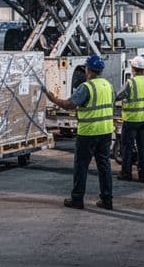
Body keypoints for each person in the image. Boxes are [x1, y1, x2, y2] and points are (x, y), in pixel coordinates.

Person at [40, 54, 114, 210]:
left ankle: (77, 199)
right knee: (104, 166)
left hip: (88, 133)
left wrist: (52, 98)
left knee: (81, 166)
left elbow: (69, 105)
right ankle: (107, 200)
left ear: (88, 70)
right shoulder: (108, 85)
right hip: (106, 131)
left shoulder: (86, 87)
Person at [116, 55, 144, 183]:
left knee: (127, 146)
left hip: (131, 119)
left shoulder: (130, 82)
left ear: (133, 68)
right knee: (143, 147)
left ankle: (126, 173)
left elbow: (119, 96)